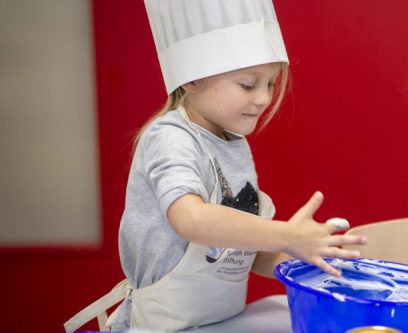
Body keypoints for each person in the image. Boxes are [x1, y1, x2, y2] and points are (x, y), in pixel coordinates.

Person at [63, 1, 365, 332]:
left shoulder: (233, 144)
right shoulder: (170, 137)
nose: (264, 98)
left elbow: (240, 252)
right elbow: (191, 219)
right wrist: (287, 234)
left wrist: (311, 262)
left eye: (271, 84)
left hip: (219, 322)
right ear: (190, 79)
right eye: (249, 84)